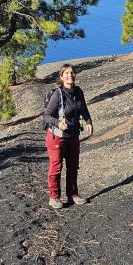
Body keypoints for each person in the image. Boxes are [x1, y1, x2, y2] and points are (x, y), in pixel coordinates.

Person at [42, 63, 94, 209]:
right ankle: (54, 197)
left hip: (73, 136)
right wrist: (58, 122)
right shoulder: (57, 94)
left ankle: (73, 195)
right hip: (56, 137)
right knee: (56, 167)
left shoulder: (78, 91)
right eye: (67, 73)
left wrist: (88, 121)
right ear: (61, 77)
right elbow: (46, 116)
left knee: (73, 167)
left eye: (72, 73)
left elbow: (83, 108)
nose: (70, 75)